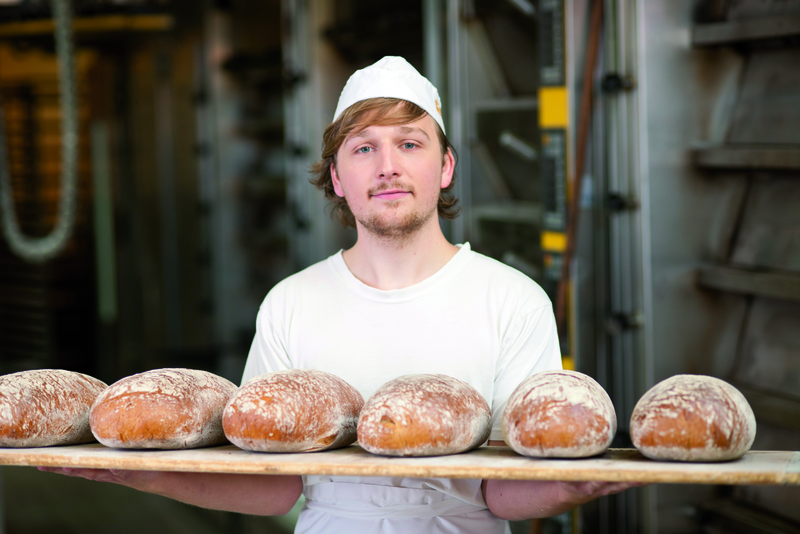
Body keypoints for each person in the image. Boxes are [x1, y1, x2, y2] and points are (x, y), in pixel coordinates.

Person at [40, 56, 638, 533]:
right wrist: (135, 474)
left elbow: (501, 491)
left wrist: (573, 484)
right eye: (363, 147)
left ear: (446, 166)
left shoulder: (512, 299)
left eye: (410, 143)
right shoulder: (291, 302)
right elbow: (276, 487)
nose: (387, 166)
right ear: (336, 177)